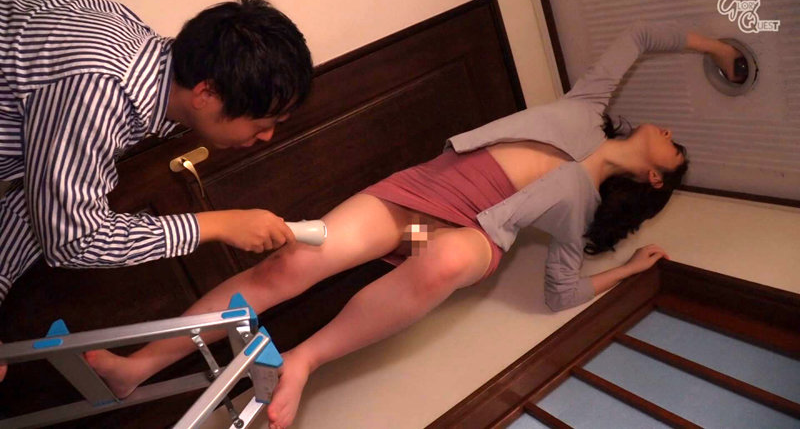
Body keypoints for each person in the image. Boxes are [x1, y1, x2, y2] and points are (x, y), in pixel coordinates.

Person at [85, 21, 744, 427]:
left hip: (467, 235)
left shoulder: (584, 205)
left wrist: (628, 272)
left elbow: (562, 291)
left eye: (676, 150)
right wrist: (715, 45)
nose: (669, 133)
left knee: (452, 258)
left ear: (654, 179)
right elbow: (640, 37)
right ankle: (135, 369)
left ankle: (303, 361)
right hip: (421, 199)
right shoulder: (589, 104)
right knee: (291, 263)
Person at [0, 0, 313, 382]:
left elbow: (44, 195)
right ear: (206, 93)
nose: (267, 136)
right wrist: (218, 224)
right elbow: (73, 239)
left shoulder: (136, 58)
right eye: (263, 122)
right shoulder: (99, 89)